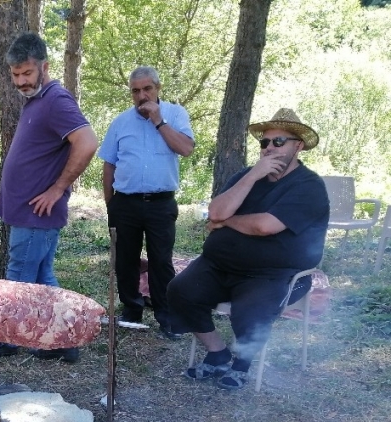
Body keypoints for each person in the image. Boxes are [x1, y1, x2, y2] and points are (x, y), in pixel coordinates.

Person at [167, 108, 330, 390]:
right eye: (264, 143)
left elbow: (264, 226)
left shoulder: (309, 186)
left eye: (278, 142)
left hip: (276, 274)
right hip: (219, 266)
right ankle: (218, 354)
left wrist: (226, 222)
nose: (269, 148)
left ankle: (242, 364)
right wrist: (253, 176)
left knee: (250, 309)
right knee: (180, 291)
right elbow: (215, 210)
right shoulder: (246, 177)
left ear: (298, 146)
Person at [0, 31, 97, 364]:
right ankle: (63, 341)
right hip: (27, 212)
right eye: (16, 75)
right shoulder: (37, 100)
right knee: (41, 278)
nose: (22, 81)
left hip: (35, 214)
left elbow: (87, 142)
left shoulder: (56, 99)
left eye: (27, 73)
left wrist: (57, 189)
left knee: (18, 281)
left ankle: (6, 340)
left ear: (45, 66)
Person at [98, 66, 195, 339]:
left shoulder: (176, 114)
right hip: (125, 203)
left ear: (157, 88)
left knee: (161, 260)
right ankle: (131, 311)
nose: (141, 96)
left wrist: (158, 121)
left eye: (147, 89)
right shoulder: (120, 122)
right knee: (125, 261)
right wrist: (111, 204)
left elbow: (186, 149)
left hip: (161, 203)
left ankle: (166, 315)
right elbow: (109, 165)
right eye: (136, 91)